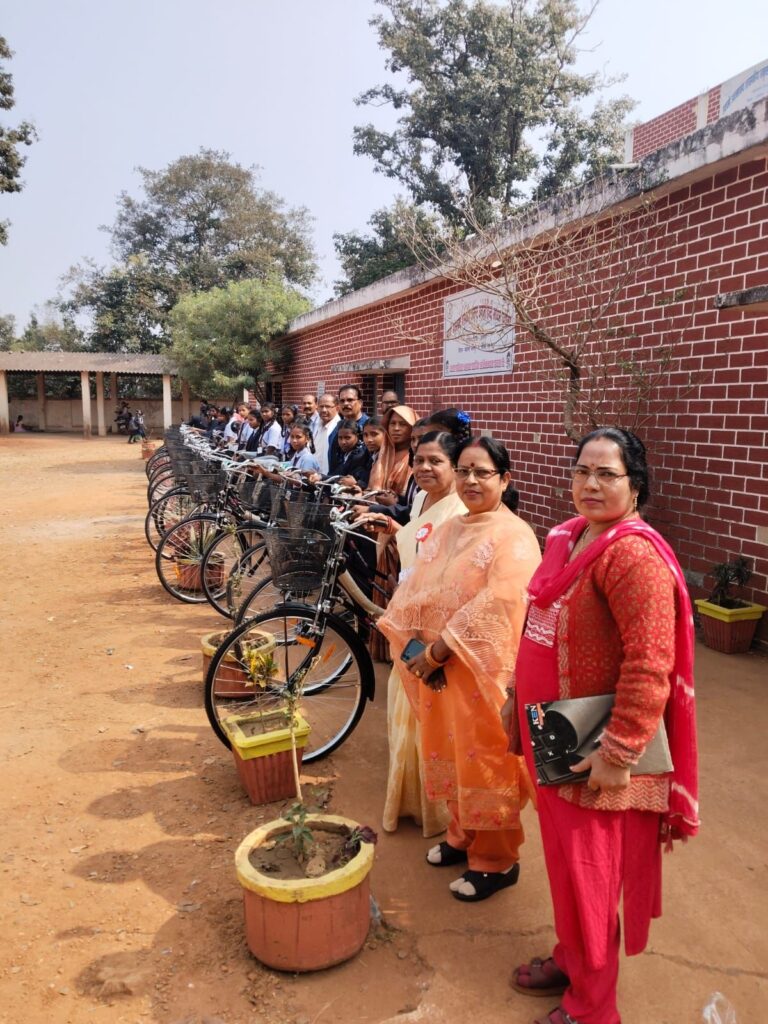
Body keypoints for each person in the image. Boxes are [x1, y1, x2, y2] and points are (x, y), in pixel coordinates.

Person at [508, 427, 698, 1024]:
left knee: (590, 879)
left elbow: (650, 663)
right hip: (554, 734)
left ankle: (593, 1008)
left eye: (607, 474)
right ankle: (572, 959)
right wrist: (516, 696)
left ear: (635, 486)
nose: (590, 484)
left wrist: (618, 753)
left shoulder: (633, 556)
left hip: (595, 748)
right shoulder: (569, 538)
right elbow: (537, 626)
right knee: (565, 868)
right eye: (582, 471)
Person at [378, 436, 541, 901]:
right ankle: (461, 835)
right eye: (464, 470)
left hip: (481, 674)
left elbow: (502, 603)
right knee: (448, 753)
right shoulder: (451, 528)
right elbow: (419, 585)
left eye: (482, 472)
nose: (470, 480)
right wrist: (414, 642)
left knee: (485, 761)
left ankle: (496, 860)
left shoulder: (514, 536)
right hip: (438, 671)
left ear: (504, 480)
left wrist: (440, 650)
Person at [359, 431, 466, 836]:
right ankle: (411, 800)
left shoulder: (461, 509)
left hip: (437, 629)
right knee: (404, 710)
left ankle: (442, 813)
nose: (424, 468)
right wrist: (391, 524)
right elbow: (416, 544)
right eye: (419, 460)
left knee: (435, 718)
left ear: (455, 466)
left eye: (436, 461)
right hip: (408, 618)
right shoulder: (421, 499)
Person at [366, 405, 418, 660]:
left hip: (404, 532)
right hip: (379, 529)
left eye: (402, 424)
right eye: (392, 424)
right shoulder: (383, 455)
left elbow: (412, 504)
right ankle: (384, 648)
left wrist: (392, 503)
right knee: (381, 585)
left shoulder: (417, 459)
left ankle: (400, 650)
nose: (396, 429)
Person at [330, 419, 372, 488]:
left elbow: (340, 474)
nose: (343, 442)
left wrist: (322, 477)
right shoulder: (343, 453)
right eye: (340, 438)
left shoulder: (360, 455)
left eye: (347, 438)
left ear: (357, 436)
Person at [314, 394, 341, 475]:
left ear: (337, 408)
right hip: (315, 476)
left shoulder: (340, 428)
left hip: (330, 477)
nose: (324, 410)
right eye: (321, 406)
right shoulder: (316, 425)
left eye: (328, 406)